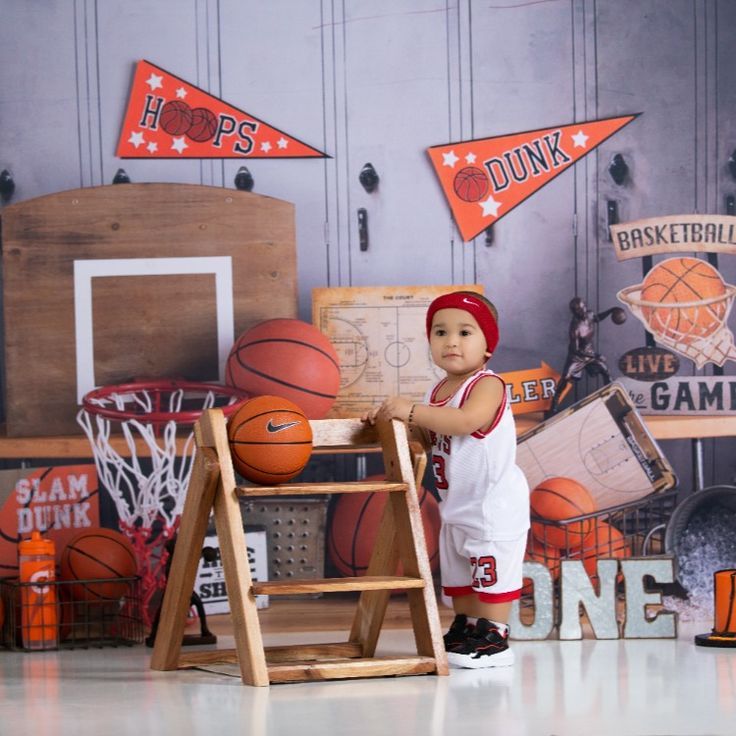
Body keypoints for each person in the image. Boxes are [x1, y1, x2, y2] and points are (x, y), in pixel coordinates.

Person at [363, 290, 529, 668]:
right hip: (457, 502)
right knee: (459, 570)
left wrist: (412, 411)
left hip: (492, 502)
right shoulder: (437, 391)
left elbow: (465, 422)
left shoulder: (488, 385)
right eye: (440, 332)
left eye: (465, 332)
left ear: (488, 346)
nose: (451, 341)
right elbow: (430, 437)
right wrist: (395, 425)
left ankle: (494, 636)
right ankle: (467, 626)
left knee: (489, 567)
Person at [549, 297, 621, 414]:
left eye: (583, 307)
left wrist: (611, 311)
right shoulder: (575, 328)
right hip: (577, 357)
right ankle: (554, 403)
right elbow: (576, 350)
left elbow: (597, 318)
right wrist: (596, 356)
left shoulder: (589, 314)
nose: (583, 311)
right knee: (566, 377)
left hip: (590, 353)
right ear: (574, 312)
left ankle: (611, 399)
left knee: (605, 370)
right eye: (579, 310)